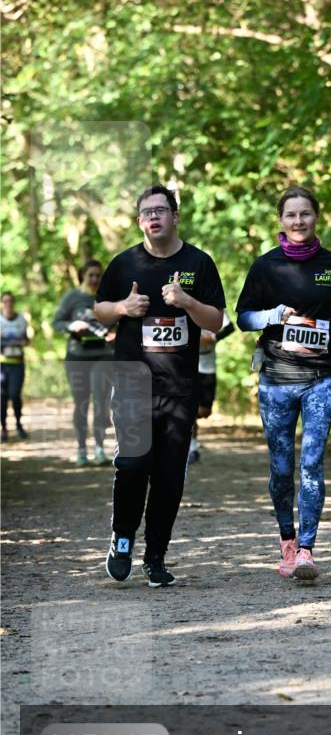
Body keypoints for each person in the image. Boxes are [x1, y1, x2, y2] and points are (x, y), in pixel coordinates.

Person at [94, 183, 226, 587]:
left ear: (174, 216)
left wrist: (187, 302)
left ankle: (156, 555)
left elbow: (216, 322)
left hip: (179, 388)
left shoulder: (199, 263)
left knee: (169, 476)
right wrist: (122, 308)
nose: (153, 217)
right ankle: (122, 538)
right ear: (139, 221)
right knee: (133, 465)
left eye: (161, 210)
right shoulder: (123, 264)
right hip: (133, 383)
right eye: (146, 212)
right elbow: (100, 311)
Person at [236, 185, 331, 581]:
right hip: (277, 379)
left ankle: (307, 549)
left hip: (323, 376)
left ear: (316, 217)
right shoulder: (265, 266)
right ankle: (286, 541)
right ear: (281, 221)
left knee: (311, 461)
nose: (298, 221)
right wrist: (272, 316)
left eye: (305, 214)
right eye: (291, 215)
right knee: (280, 466)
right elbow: (243, 318)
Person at [53, 260, 114, 465]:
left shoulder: (108, 297)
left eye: (98, 275)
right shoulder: (72, 297)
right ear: (83, 276)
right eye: (91, 275)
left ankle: (99, 448)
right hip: (77, 357)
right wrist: (72, 325)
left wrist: (115, 333)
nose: (95, 279)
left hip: (104, 356)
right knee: (81, 403)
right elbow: (57, 322)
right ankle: (81, 450)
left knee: (100, 401)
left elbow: (121, 321)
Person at [188, 313, 234, 464]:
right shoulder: (182, 303)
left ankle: (190, 423)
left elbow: (230, 328)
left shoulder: (213, 306)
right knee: (190, 409)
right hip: (188, 366)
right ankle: (192, 448)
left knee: (205, 411)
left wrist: (214, 338)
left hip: (208, 367)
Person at [1, 291, 30, 442]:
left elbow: (26, 340)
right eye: (5, 301)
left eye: (10, 301)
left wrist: (21, 342)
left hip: (17, 363)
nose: (8, 304)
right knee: (2, 397)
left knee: (14, 395)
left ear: (14, 303)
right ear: (1, 303)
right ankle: (4, 429)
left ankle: (19, 425)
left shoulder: (22, 320)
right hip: (2, 364)